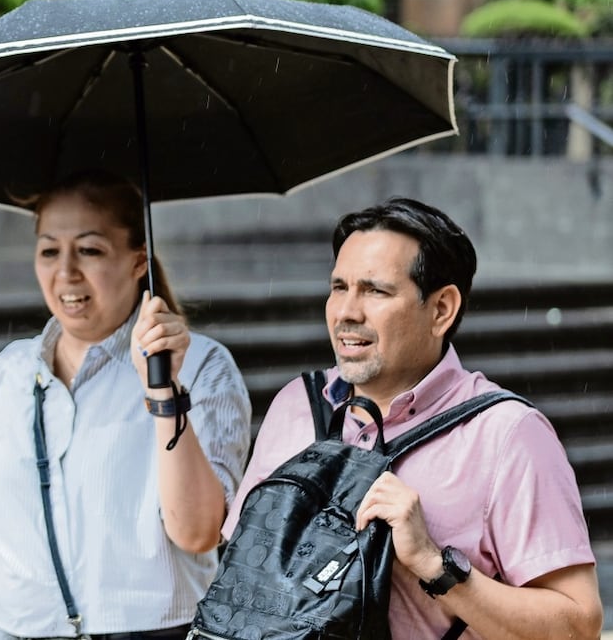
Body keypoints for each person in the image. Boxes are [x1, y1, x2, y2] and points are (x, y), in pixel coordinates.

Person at [223, 198, 603, 638]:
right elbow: (238, 567)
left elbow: (578, 626)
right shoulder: (297, 405)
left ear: (441, 309)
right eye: (339, 287)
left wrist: (432, 563)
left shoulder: (507, 434)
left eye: (375, 291)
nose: (346, 312)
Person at [0, 170, 253, 639]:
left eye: (90, 249)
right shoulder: (8, 373)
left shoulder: (202, 367)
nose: (66, 272)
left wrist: (162, 390)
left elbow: (198, 532)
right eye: (50, 250)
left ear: (140, 262)